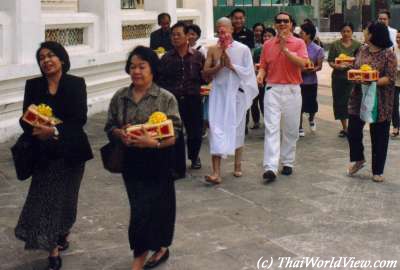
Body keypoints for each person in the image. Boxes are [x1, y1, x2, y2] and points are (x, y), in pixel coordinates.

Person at [15, 41, 93, 270]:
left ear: (61, 59)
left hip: (71, 151)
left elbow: (79, 119)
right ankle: (53, 251)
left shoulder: (76, 84)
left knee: (68, 200)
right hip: (44, 153)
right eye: (42, 58)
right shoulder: (34, 86)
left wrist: (55, 130)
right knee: (47, 200)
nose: (46, 60)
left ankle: (62, 232)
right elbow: (24, 118)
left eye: (51, 55)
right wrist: (35, 126)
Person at [104, 46, 182, 270]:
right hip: (132, 162)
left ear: (152, 69)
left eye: (141, 66)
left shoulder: (165, 98)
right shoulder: (121, 97)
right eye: (132, 67)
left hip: (159, 161)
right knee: (139, 209)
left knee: (161, 207)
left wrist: (153, 142)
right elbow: (109, 126)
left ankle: (158, 248)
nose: (136, 71)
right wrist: (120, 133)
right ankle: (142, 251)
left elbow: (175, 133)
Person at [203, 17, 258, 184]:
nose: (222, 31)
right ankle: (216, 173)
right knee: (216, 129)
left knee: (237, 129)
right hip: (218, 94)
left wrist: (232, 66)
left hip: (236, 94)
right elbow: (206, 72)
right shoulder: (212, 49)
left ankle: (237, 164)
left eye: (225, 28)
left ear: (232, 30)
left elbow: (249, 73)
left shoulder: (243, 49)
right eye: (219, 28)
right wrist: (220, 65)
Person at [256, 12, 308, 183]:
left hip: (292, 89)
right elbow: (263, 65)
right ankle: (270, 166)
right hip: (273, 89)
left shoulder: (299, 43)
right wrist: (260, 75)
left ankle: (287, 161)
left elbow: (302, 63)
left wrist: (285, 48)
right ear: (275, 24)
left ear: (291, 24)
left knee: (291, 129)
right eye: (279, 21)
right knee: (271, 128)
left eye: (286, 21)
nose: (282, 24)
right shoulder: (268, 44)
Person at [347, 22, 397, 182]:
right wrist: (354, 73)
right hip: (358, 97)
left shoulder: (389, 54)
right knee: (353, 130)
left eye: (366, 31)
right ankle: (358, 158)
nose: (364, 32)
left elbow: (390, 78)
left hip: (380, 100)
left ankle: (378, 170)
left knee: (379, 135)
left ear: (373, 35)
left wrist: (372, 81)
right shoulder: (362, 49)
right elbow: (356, 67)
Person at [159, 22, 205, 174]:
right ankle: (177, 163)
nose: (175, 37)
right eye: (173, 35)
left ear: (187, 36)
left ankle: (194, 156)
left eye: (178, 34)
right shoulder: (166, 58)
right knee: (175, 133)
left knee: (196, 133)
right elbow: (160, 80)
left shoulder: (198, 56)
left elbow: (204, 77)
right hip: (173, 101)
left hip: (193, 99)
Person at [328, 22, 361, 137]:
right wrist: (337, 66)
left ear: (352, 32)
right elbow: (330, 60)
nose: (346, 33)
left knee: (353, 102)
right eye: (344, 31)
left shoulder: (358, 45)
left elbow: (361, 61)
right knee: (340, 102)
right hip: (338, 78)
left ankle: (353, 127)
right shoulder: (335, 45)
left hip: (354, 79)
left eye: (348, 31)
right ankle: (345, 128)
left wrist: (354, 65)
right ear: (341, 32)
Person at [230, 8, 255, 134]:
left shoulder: (249, 33)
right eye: (236, 18)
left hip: (242, 71)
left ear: (244, 19)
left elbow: (249, 53)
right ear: (231, 19)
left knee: (243, 96)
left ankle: (243, 125)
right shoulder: (228, 33)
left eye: (241, 18)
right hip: (228, 71)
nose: (239, 20)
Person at [298, 22, 324, 137]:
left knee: (312, 105)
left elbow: (319, 66)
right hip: (298, 80)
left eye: (302, 33)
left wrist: (312, 69)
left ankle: (312, 118)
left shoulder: (317, 49)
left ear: (308, 35)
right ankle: (299, 126)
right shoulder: (297, 47)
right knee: (299, 105)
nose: (299, 34)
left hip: (311, 81)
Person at [187, 24, 210, 138]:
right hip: (186, 84)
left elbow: (206, 67)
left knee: (201, 106)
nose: (190, 36)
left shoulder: (202, 50)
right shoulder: (182, 49)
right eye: (188, 34)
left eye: (193, 34)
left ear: (197, 36)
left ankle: (202, 128)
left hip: (199, 82)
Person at [251, 27, 276, 129]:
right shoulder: (257, 50)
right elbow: (254, 64)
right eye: (264, 36)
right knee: (255, 101)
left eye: (269, 36)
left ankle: (269, 125)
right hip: (259, 78)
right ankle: (257, 121)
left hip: (271, 81)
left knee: (266, 103)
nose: (266, 38)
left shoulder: (277, 49)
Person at [393, 30, 400, 137]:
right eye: (397, 37)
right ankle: (396, 126)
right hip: (395, 80)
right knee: (394, 104)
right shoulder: (394, 49)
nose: (398, 39)